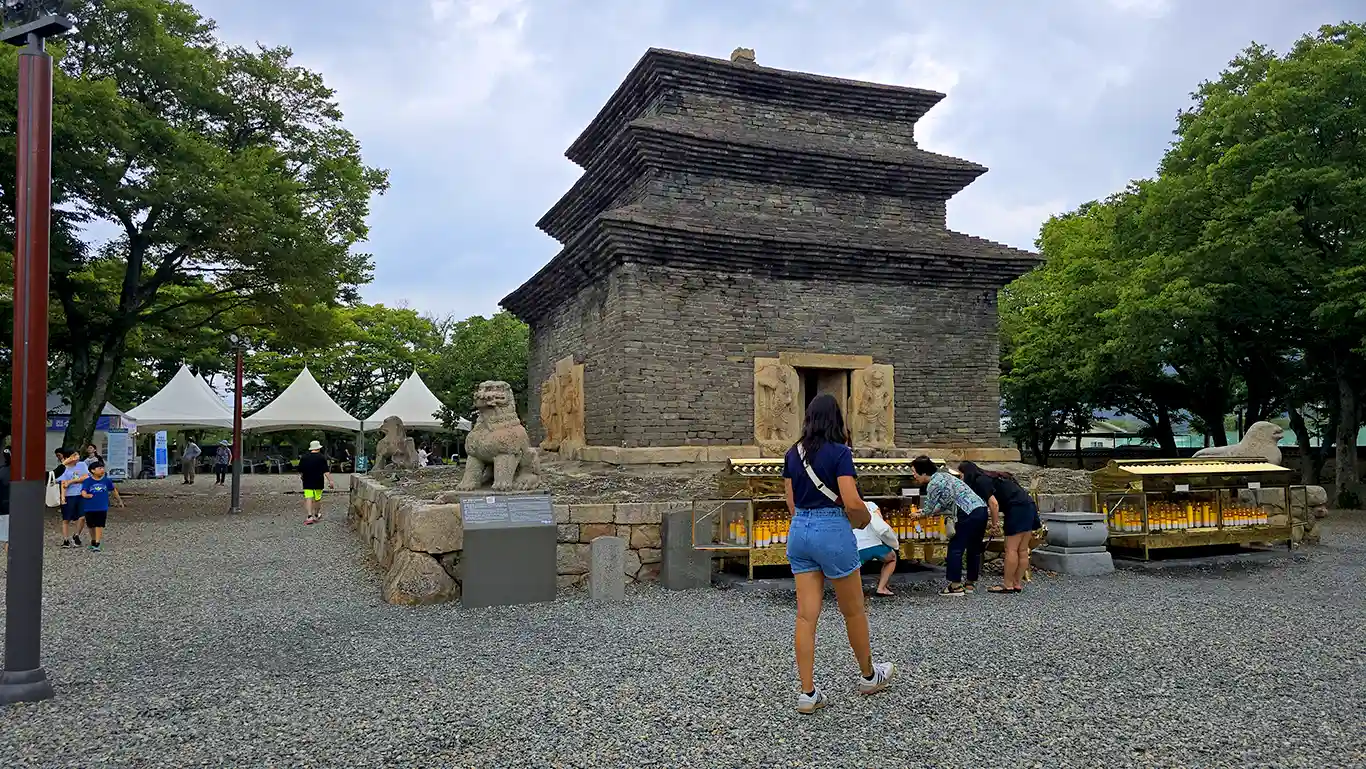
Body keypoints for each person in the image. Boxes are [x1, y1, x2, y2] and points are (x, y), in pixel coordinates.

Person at [782, 393, 894, 715]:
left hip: (799, 530)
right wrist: (862, 520)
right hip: (832, 529)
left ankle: (807, 693)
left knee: (806, 616)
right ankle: (869, 676)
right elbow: (851, 500)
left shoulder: (792, 453)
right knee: (853, 611)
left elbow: (790, 502)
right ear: (837, 419)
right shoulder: (840, 453)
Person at [958, 461, 1041, 594]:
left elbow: (994, 504)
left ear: (967, 473)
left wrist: (995, 524)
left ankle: (1007, 585)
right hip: (1029, 505)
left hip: (1016, 509)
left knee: (1011, 549)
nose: (960, 478)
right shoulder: (993, 477)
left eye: (960, 474)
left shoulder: (980, 481)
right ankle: (1017, 583)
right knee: (1022, 550)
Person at [911, 455, 988, 597]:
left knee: (955, 548)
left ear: (923, 472)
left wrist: (919, 514)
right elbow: (943, 503)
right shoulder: (945, 476)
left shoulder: (933, 484)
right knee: (974, 548)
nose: (914, 475)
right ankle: (970, 583)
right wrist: (924, 512)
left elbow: (929, 509)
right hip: (981, 510)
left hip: (966, 512)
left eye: (914, 472)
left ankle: (955, 586)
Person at [853, 500, 899, 597]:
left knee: (853, 568)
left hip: (856, 547)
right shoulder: (871, 505)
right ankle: (881, 588)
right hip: (875, 545)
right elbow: (880, 524)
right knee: (892, 558)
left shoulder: (844, 508)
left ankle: (855, 592)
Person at [79, 460, 123, 552]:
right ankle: (93, 540)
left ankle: (97, 543)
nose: (102, 470)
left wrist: (119, 501)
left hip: (102, 507)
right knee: (91, 525)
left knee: (99, 524)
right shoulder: (88, 481)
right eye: (99, 468)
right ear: (92, 470)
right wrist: (86, 495)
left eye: (103, 468)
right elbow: (83, 491)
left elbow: (113, 490)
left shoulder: (106, 480)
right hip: (89, 507)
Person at [56, 448, 91, 549]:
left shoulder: (82, 465)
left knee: (82, 517)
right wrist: (62, 498)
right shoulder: (63, 468)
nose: (77, 457)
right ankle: (66, 540)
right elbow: (63, 484)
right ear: (68, 457)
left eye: (77, 455)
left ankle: (76, 535)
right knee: (66, 519)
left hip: (81, 494)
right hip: (69, 495)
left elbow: (86, 477)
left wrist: (71, 481)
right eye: (74, 455)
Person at [298, 440, 334, 525]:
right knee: (317, 499)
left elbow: (301, 470)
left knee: (308, 498)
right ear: (318, 448)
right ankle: (316, 515)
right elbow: (326, 471)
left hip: (307, 480)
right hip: (318, 481)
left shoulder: (304, 457)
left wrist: (302, 476)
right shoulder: (321, 457)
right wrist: (331, 481)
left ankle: (309, 516)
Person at [1, 448, 10, 562]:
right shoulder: (19, 472)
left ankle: (11, 561)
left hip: (4, 509)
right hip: (16, 508)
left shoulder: (2, 470)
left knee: (9, 538)